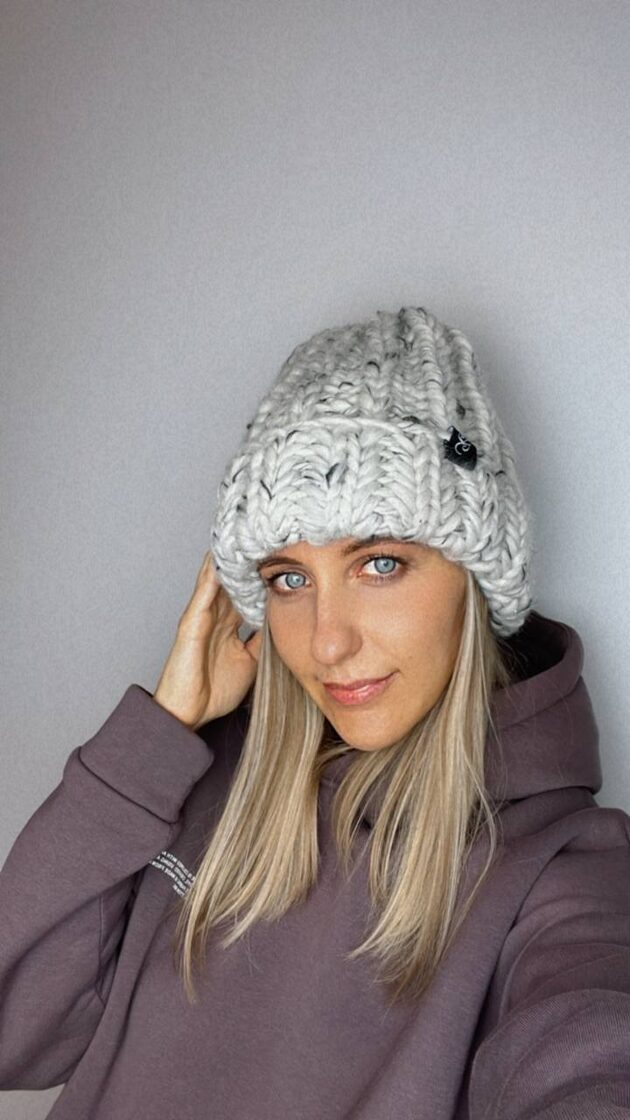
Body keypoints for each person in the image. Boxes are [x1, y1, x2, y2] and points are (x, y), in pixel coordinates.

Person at [1, 305, 629, 1118]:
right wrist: (157, 738)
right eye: (289, 579)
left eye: (380, 563)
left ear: (474, 581)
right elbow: (13, 1035)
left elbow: (591, 1055)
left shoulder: (563, 873)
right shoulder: (201, 782)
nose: (327, 643)